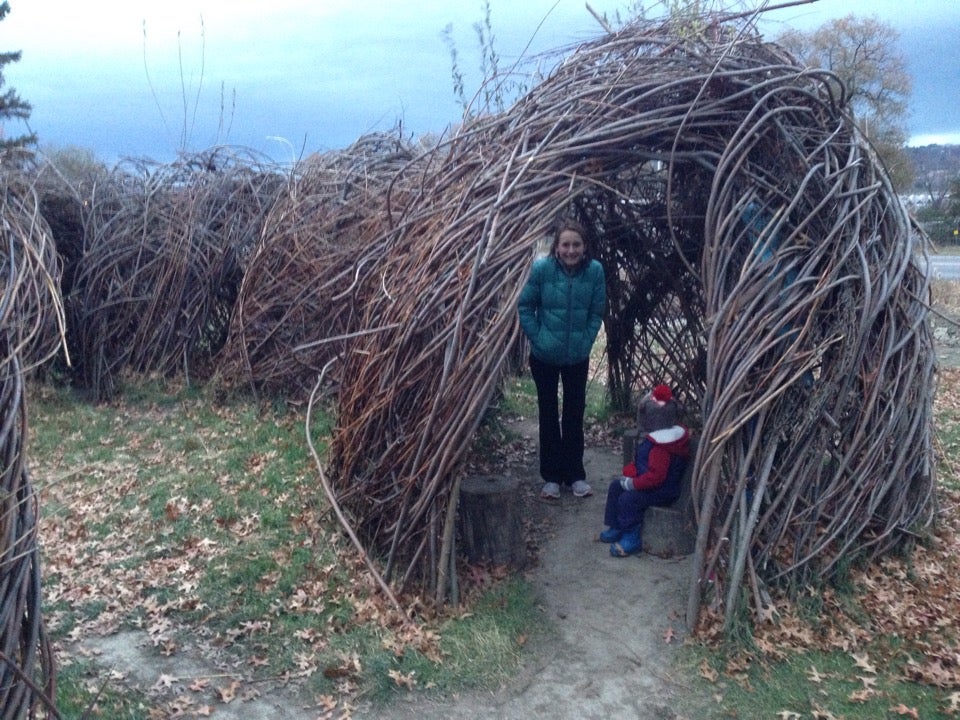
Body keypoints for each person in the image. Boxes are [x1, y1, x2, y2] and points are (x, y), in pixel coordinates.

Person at [518, 218, 606, 500]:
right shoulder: (542, 269)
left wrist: (586, 340)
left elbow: (596, 310)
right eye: (565, 244)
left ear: (584, 246)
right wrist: (539, 338)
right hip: (544, 356)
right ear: (556, 247)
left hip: (576, 356)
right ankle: (552, 478)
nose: (571, 250)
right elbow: (525, 305)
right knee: (547, 413)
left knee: (573, 414)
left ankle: (575, 476)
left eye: (576, 244)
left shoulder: (594, 272)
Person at [599, 384, 690, 556]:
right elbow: (645, 463)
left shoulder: (662, 447)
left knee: (629, 499)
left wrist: (633, 483)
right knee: (615, 486)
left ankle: (631, 536)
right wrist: (632, 472)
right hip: (651, 484)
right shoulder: (657, 440)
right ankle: (616, 525)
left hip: (662, 490)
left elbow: (656, 477)